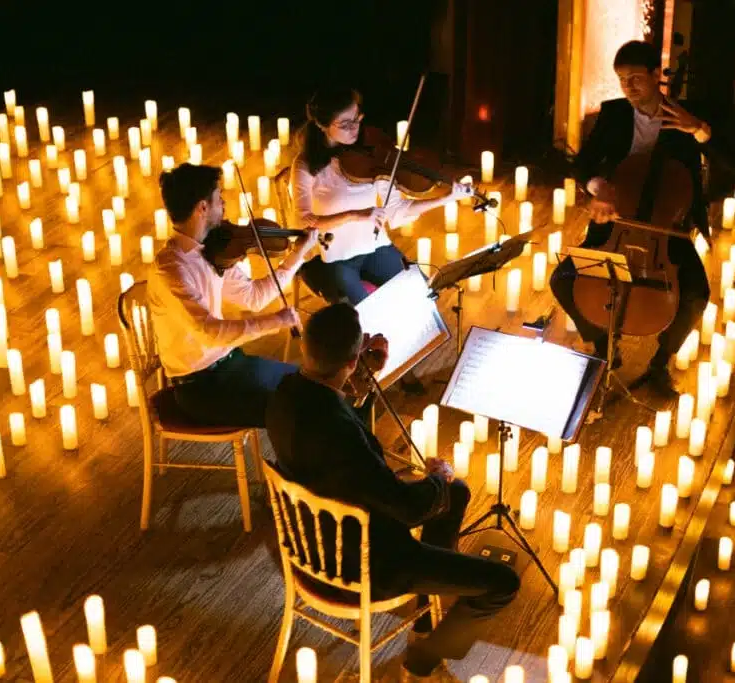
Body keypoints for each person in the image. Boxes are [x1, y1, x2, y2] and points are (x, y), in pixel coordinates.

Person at [266, 303, 521, 682]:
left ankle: (426, 601)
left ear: (307, 348)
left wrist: (362, 385)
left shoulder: (287, 391)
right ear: (352, 360)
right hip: (364, 561)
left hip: (310, 533)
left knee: (458, 493)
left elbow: (339, 432)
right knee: (503, 582)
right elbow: (407, 510)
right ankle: (425, 656)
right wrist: (438, 476)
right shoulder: (342, 437)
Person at [550, 39, 735, 397]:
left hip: (667, 228)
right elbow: (583, 164)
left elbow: (733, 167)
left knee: (695, 296)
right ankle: (604, 348)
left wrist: (699, 129)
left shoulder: (689, 115)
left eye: (636, 78)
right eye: (622, 79)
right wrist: (598, 186)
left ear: (656, 76)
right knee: (563, 279)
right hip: (617, 222)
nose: (629, 88)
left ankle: (660, 364)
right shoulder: (615, 113)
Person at [147, 163, 318, 428]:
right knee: (293, 412)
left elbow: (254, 297)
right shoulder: (172, 270)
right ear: (202, 208)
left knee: (315, 386)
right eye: (219, 198)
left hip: (231, 364)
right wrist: (274, 322)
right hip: (200, 386)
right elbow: (210, 331)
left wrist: (297, 255)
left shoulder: (215, 249)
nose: (224, 205)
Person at [290, 85, 473, 306]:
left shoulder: (373, 154)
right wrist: (355, 215)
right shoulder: (306, 165)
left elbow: (397, 211)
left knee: (423, 295)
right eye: (346, 124)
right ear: (322, 125)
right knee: (366, 316)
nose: (355, 128)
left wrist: (446, 199)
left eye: (358, 119)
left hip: (375, 248)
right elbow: (304, 221)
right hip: (335, 259)